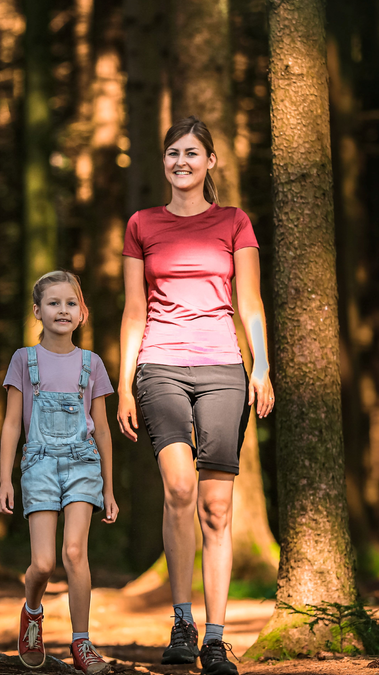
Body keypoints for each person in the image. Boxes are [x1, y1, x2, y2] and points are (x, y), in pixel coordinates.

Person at [116, 116, 274, 675]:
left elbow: (250, 303)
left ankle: (214, 635)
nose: (181, 162)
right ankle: (180, 620)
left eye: (191, 153)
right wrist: (124, 382)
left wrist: (262, 368)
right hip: (160, 367)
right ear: (164, 162)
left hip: (224, 369)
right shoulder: (142, 224)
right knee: (180, 489)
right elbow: (134, 310)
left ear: (211, 163)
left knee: (217, 506)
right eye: (172, 153)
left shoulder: (234, 222)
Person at [0, 271, 119, 675]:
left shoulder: (92, 363)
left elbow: (101, 429)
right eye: (53, 303)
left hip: (84, 464)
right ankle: (32, 612)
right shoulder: (23, 360)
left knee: (74, 553)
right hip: (40, 463)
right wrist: (4, 480)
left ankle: (82, 643)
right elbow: (13, 424)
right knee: (45, 563)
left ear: (82, 313)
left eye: (70, 303)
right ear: (37, 311)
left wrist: (111, 490)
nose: (62, 310)